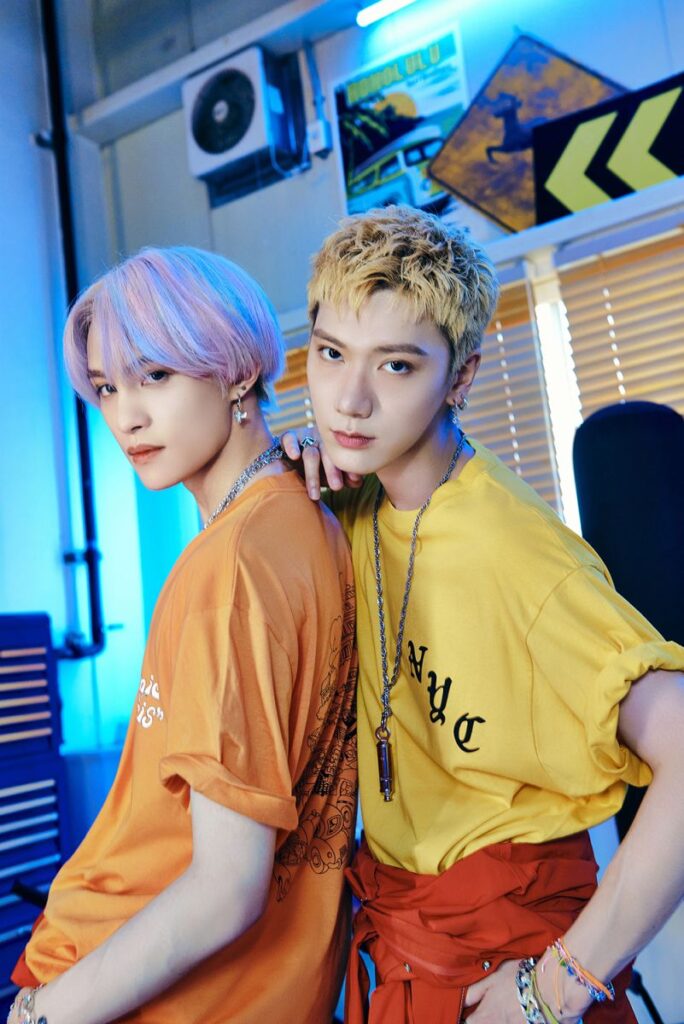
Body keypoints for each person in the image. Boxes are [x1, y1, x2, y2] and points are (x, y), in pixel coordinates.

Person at [283, 205, 684, 1024]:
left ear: (460, 378)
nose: (349, 400)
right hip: (398, 931)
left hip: (506, 950)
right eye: (331, 354)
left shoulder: (515, 549)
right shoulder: (356, 498)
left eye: (397, 366)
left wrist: (557, 987)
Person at [9, 247, 357, 1024]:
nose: (125, 416)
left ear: (238, 372)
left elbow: (225, 889)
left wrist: (45, 1015)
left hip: (156, 997)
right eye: (106, 387)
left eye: (155, 375)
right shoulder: (306, 522)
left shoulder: (230, 565)